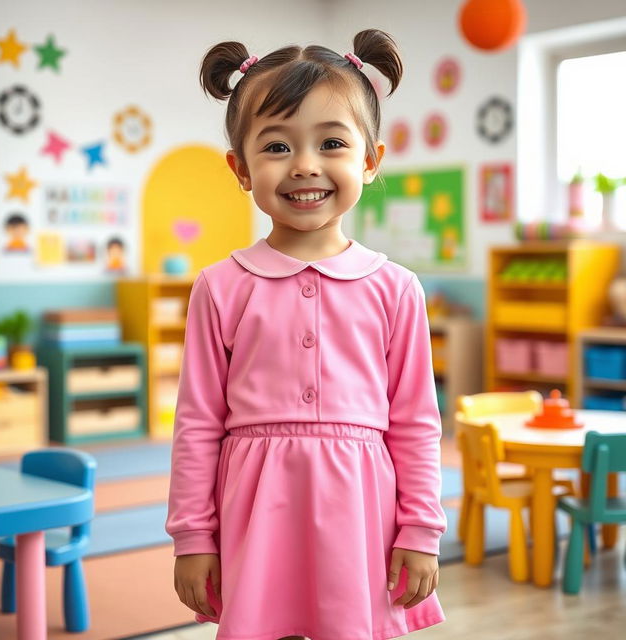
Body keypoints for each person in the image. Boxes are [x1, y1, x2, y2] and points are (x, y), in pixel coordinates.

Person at [166, 29, 448, 640]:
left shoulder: (396, 289)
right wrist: (192, 535)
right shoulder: (220, 287)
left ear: (369, 161)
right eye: (275, 146)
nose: (304, 165)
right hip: (254, 506)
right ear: (240, 169)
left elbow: (417, 421)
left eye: (331, 142)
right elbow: (197, 421)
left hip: (361, 508)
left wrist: (421, 529)